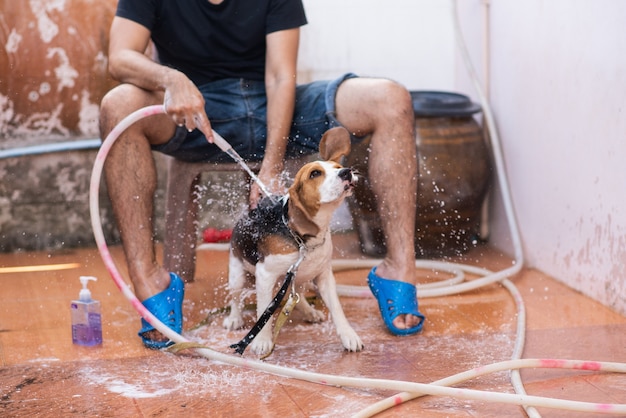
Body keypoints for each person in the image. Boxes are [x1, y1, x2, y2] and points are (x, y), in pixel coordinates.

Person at [99, 0, 425, 349]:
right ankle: (152, 283)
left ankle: (397, 270)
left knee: (391, 98)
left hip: (278, 102)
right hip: (199, 114)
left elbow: (280, 75)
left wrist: (271, 166)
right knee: (116, 105)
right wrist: (171, 78)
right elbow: (119, 57)